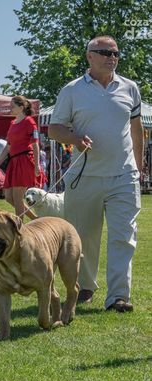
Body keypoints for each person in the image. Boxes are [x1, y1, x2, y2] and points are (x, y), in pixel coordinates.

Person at [49, 35, 144, 312]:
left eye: (115, 53)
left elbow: (136, 128)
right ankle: (84, 286)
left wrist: (138, 168)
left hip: (123, 176)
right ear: (89, 55)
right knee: (83, 237)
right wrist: (75, 138)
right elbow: (54, 129)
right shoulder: (72, 90)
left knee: (123, 236)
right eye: (105, 52)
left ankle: (118, 296)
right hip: (84, 177)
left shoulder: (130, 88)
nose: (112, 57)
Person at [0, 96, 41, 220]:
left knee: (17, 197)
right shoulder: (12, 123)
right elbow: (8, 147)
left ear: (21, 107)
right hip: (13, 162)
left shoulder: (29, 122)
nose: (10, 108)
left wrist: (37, 165)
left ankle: (19, 227)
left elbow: (35, 144)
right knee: (9, 197)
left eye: (12, 106)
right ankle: (36, 219)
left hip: (24, 160)